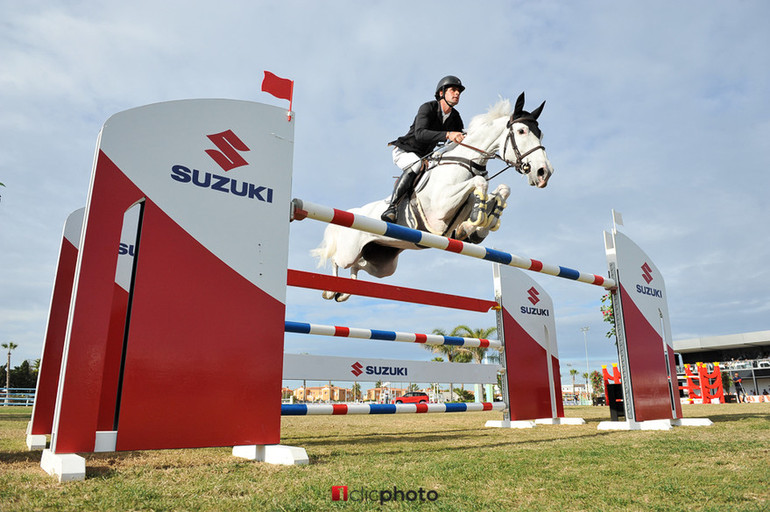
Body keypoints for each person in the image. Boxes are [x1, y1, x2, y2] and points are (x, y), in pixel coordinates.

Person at [381, 75, 467, 223]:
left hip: (425, 157)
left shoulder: (456, 117)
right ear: (442, 93)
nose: (457, 93)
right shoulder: (427, 107)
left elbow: (459, 140)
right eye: (453, 90)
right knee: (416, 165)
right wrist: (448, 134)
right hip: (405, 151)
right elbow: (420, 134)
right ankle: (392, 206)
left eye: (459, 91)